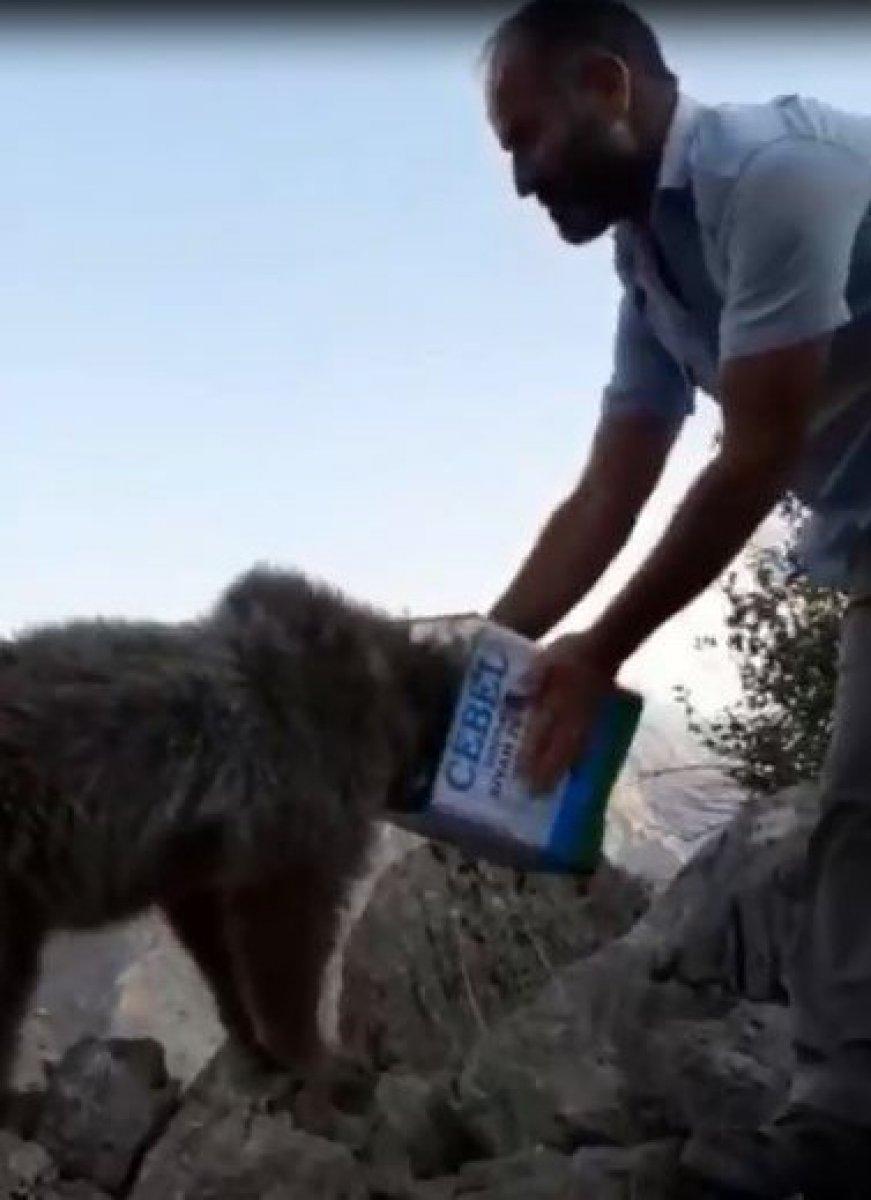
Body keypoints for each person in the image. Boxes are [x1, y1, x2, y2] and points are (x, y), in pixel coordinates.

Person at [481, 1, 871, 1196]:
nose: (519, 181)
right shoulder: (648, 260)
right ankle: (843, 1122)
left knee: (859, 806)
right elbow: (608, 491)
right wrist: (486, 651)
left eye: (525, 137)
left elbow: (751, 457)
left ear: (607, 84)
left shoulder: (781, 174)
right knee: (855, 823)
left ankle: (837, 1130)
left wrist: (599, 652)